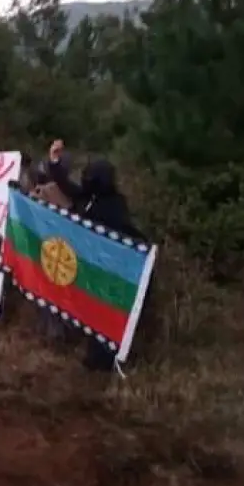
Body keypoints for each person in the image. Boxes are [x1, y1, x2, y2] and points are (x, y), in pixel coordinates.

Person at [42, 139, 150, 371]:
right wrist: (54, 161)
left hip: (109, 268)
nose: (85, 179)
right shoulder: (88, 198)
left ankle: (103, 361)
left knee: (104, 317)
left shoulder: (113, 203)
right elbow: (67, 186)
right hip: (89, 266)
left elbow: (123, 231)